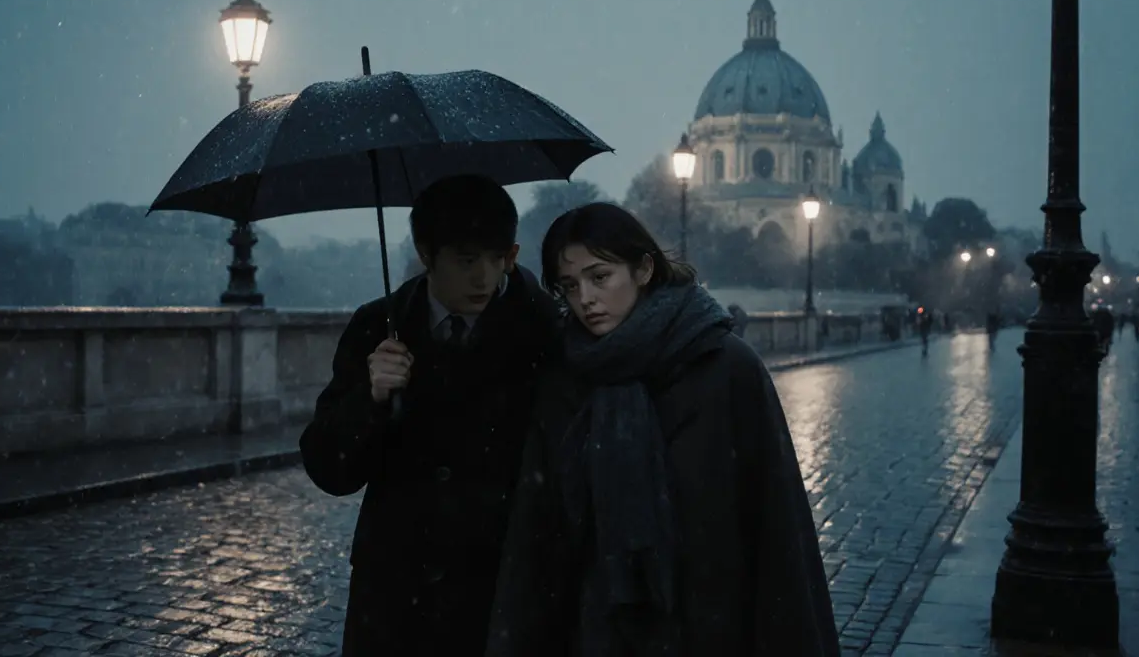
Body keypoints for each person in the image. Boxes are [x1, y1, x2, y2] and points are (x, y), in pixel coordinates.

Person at [485, 202, 840, 657]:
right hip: (594, 632)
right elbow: (537, 535)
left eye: (599, 277)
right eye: (569, 286)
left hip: (709, 626)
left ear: (644, 269)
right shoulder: (565, 377)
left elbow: (776, 528)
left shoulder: (727, 368)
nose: (585, 299)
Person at [299, 174, 561, 656]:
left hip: (501, 590)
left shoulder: (546, 332)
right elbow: (329, 469)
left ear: (513, 253)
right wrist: (371, 398)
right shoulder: (377, 326)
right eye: (466, 261)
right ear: (426, 255)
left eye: (498, 259)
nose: (484, 278)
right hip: (395, 594)